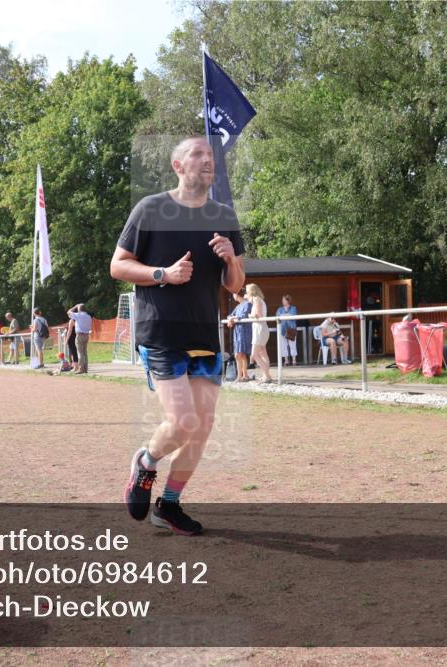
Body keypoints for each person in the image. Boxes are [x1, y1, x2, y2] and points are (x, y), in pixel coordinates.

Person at [110, 135, 245, 536]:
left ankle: (168, 505)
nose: (207, 160)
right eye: (197, 154)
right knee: (183, 421)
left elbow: (236, 284)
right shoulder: (151, 209)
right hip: (162, 332)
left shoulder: (224, 216)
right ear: (178, 166)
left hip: (205, 334)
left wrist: (229, 259)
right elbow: (118, 265)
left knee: (202, 426)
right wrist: (162, 274)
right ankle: (146, 462)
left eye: (210, 155)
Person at [246, 283, 273, 383]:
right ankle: (266, 375)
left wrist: (250, 315)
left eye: (247, 291)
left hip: (259, 328)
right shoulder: (258, 299)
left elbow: (258, 315)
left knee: (254, 354)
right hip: (261, 328)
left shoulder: (257, 299)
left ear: (251, 291)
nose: (246, 293)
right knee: (262, 353)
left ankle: (267, 376)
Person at [226, 290, 252, 382]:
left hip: (244, 331)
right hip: (237, 331)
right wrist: (230, 318)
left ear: (237, 295)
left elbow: (243, 316)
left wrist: (232, 319)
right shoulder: (238, 306)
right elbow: (230, 315)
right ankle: (245, 375)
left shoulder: (248, 304)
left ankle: (240, 376)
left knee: (238, 354)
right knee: (242, 354)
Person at [67, 303, 92, 374]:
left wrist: (75, 306)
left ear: (79, 309)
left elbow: (68, 312)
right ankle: (85, 369)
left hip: (79, 335)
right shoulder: (88, 316)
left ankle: (81, 369)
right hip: (86, 335)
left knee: (80, 352)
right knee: (85, 353)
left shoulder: (78, 315)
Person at [276, 295, 298, 366]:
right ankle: (286, 361)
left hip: (291, 329)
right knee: (283, 346)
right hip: (282, 330)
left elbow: (293, 316)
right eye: (282, 300)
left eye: (284, 300)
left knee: (292, 345)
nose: (283, 301)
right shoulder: (279, 309)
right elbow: (278, 316)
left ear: (288, 301)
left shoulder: (293, 308)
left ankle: (294, 360)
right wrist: (287, 315)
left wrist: (283, 315)